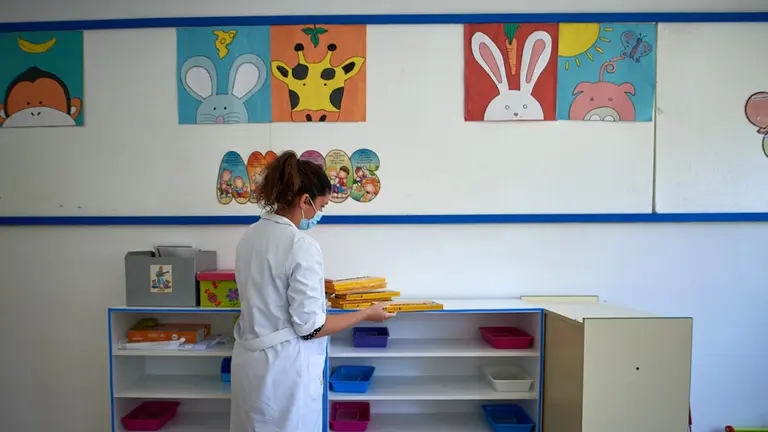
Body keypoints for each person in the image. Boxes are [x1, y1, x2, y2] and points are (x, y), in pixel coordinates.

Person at [230, 151, 396, 432]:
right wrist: (366, 313)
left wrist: (317, 284)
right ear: (304, 200)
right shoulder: (300, 245)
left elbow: (269, 286)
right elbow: (311, 328)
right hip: (283, 369)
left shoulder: (250, 235)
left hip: (250, 362)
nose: (319, 214)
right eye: (320, 206)